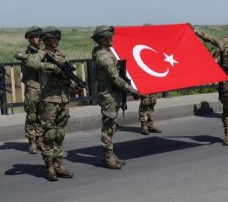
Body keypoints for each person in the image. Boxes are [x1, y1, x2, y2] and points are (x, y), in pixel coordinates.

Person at [25, 27, 82, 181]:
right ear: (45, 40)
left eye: (57, 38)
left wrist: (74, 85)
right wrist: (52, 67)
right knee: (49, 134)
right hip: (49, 100)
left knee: (60, 134)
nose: (55, 41)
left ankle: (58, 164)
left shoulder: (61, 55)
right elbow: (31, 63)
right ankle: (49, 165)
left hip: (63, 99)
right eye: (52, 38)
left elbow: (67, 75)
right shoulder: (41, 54)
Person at [90, 26, 137, 169]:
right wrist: (133, 90)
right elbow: (115, 79)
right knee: (108, 127)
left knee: (111, 126)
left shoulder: (101, 51)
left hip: (110, 94)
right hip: (108, 96)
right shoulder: (105, 57)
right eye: (109, 37)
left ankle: (110, 154)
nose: (112, 39)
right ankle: (108, 157)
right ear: (102, 40)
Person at [15, 26, 45, 153]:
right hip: (32, 86)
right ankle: (31, 141)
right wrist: (31, 58)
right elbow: (18, 54)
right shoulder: (26, 51)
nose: (36, 39)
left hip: (43, 86)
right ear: (30, 38)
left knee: (42, 114)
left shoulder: (43, 52)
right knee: (31, 114)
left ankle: (39, 139)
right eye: (34, 37)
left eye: (38, 37)